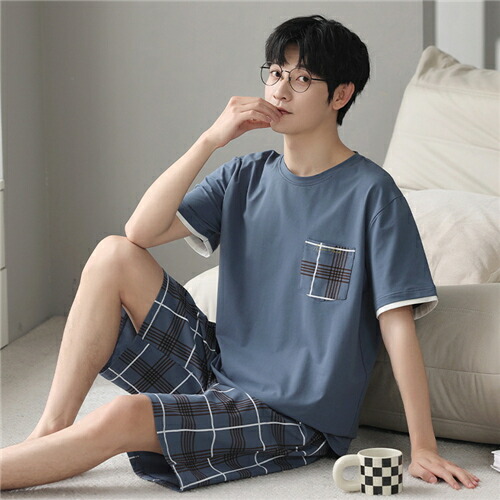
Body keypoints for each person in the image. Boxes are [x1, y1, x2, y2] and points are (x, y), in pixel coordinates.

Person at [0, 14, 480, 492]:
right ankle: (50, 433)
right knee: (113, 254)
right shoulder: (245, 175)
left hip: (292, 412)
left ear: (340, 95)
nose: (280, 90)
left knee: (125, 414)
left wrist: (424, 447)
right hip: (219, 367)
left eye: (302, 79)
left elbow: (396, 324)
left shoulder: (373, 194)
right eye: (275, 73)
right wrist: (211, 140)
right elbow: (139, 231)